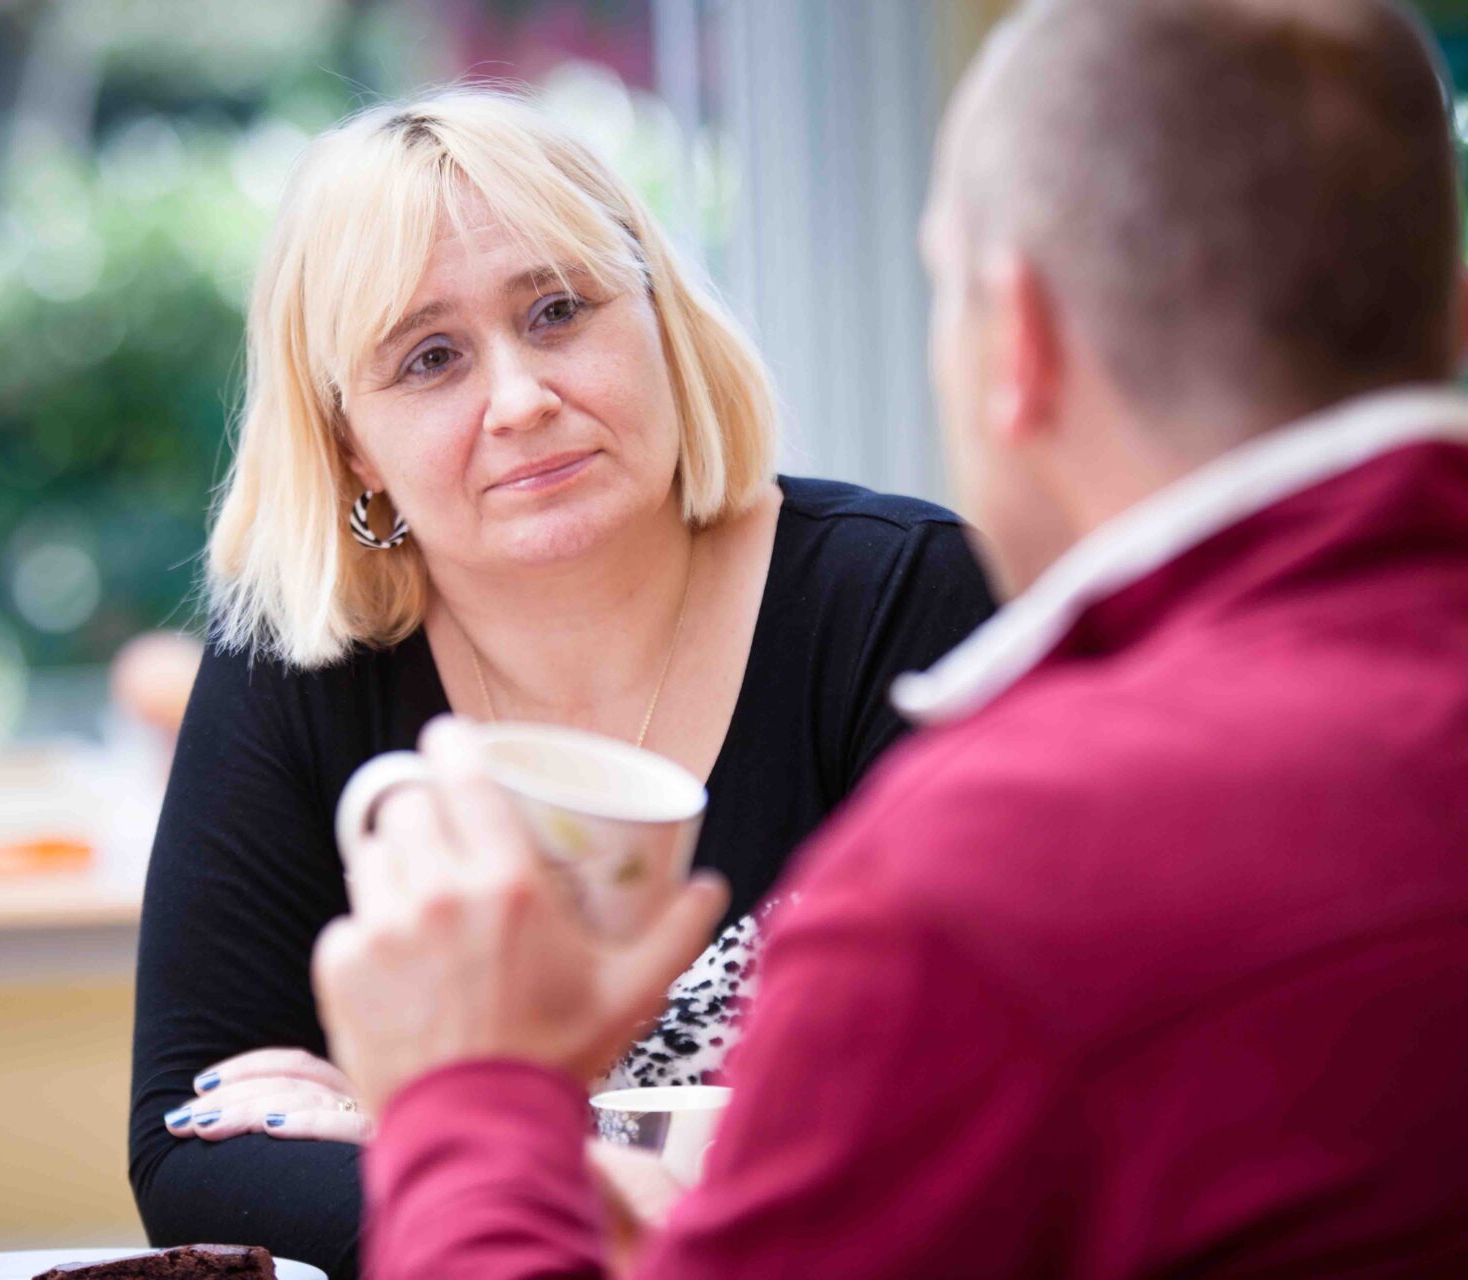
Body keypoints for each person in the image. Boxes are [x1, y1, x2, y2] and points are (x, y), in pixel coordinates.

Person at [312, 0, 1468, 1275]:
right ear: (1452, 309)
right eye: (429, 358)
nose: (519, 400)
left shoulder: (991, 878)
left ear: (1013, 342)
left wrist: (469, 1101)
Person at [126, 90, 996, 1276]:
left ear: (658, 319)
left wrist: (433, 1135)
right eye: (431, 357)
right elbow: (193, 1149)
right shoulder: (295, 660)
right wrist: (627, 1178)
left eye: (558, 310)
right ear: (349, 445)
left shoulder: (901, 598)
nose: (522, 399)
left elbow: (975, 1092)